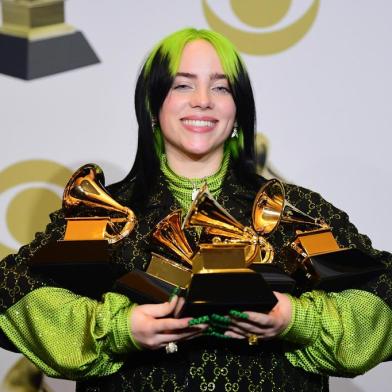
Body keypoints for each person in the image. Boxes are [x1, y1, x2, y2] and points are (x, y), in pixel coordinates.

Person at [0, 28, 391, 392]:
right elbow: (11, 293)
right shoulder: (101, 212)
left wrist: (296, 319)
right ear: (153, 105)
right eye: (182, 84)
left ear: (238, 110)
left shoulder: (297, 208)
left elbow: (383, 295)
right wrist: (119, 327)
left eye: (221, 87)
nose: (203, 99)